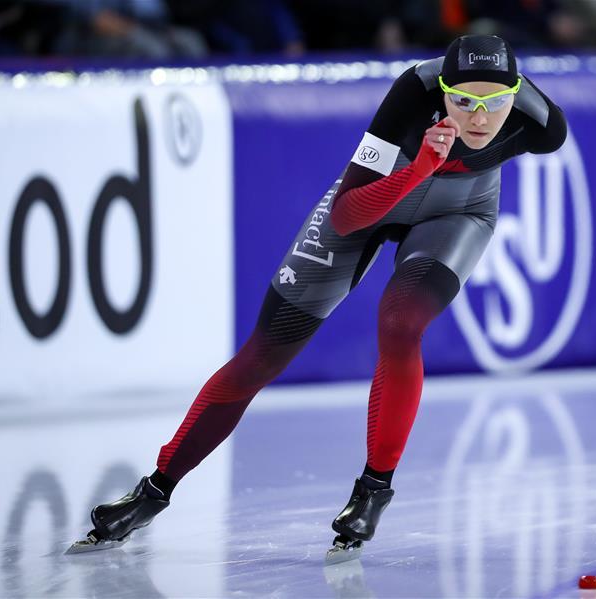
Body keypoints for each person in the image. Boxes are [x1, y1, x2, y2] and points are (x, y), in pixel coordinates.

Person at [67, 34, 567, 562]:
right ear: (442, 91)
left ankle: (373, 491)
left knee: (401, 324)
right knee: (261, 356)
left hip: (458, 214)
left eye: (496, 101)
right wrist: (419, 166)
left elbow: (524, 122)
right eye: (463, 100)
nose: (480, 117)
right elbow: (349, 215)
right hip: (380, 195)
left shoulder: (541, 126)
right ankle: (153, 491)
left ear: (516, 92)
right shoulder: (410, 97)